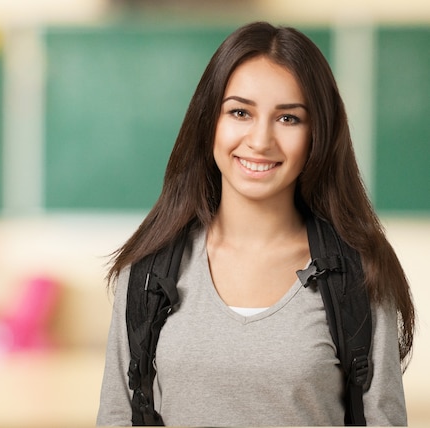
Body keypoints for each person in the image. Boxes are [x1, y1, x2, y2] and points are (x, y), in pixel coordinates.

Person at [96, 21, 415, 427]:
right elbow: (117, 417)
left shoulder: (357, 274)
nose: (260, 140)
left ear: (317, 134)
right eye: (240, 112)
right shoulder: (148, 271)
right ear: (209, 121)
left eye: (288, 119)